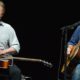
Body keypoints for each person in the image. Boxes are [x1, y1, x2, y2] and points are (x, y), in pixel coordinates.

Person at [0, 1, 21, 80]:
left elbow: (16, 47)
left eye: (0, 14)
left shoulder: (8, 28)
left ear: (2, 14)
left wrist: (3, 52)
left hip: (3, 61)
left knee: (16, 72)